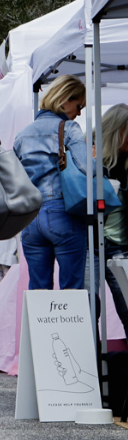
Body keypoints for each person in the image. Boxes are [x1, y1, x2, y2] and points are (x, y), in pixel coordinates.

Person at [13, 75, 88, 290]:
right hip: (63, 213)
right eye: (79, 105)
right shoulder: (69, 128)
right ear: (64, 100)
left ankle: (39, 325)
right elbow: (85, 168)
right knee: (72, 290)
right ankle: (69, 325)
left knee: (38, 291)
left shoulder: (22, 135)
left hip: (30, 219)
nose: (79, 112)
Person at [98, 105, 128, 325]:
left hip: (120, 247)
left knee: (127, 306)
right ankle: (89, 357)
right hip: (94, 244)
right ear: (117, 130)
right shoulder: (92, 161)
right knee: (89, 306)